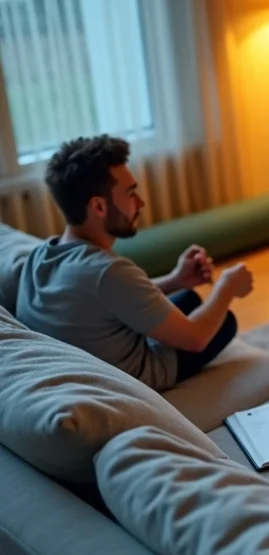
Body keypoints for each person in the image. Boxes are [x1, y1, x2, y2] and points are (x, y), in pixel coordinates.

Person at [15, 135, 254, 392]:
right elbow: (196, 339)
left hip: (81, 361)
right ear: (98, 206)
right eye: (130, 194)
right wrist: (227, 287)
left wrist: (176, 279)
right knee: (224, 322)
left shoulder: (41, 255)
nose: (140, 203)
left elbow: (109, 298)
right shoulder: (109, 271)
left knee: (187, 297)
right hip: (135, 377)